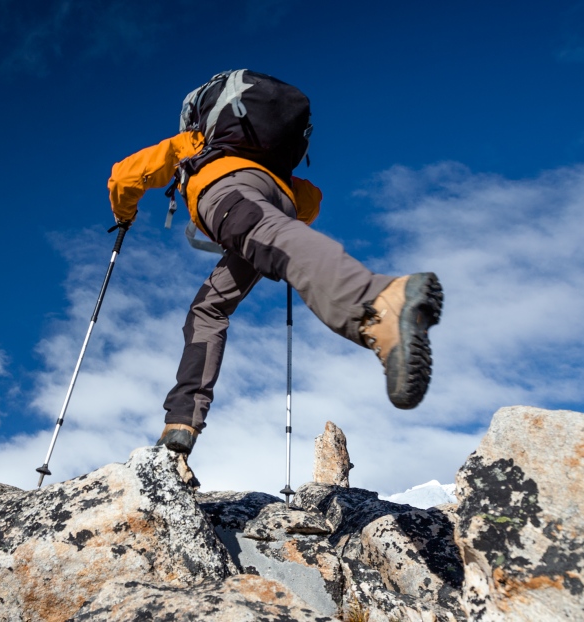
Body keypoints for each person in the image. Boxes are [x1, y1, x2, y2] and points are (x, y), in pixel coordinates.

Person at [106, 71, 443, 479]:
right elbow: (310, 202)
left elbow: (125, 175)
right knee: (209, 308)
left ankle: (375, 301)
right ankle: (181, 425)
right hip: (277, 198)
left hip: (225, 190)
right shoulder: (277, 166)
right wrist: (279, 202)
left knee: (266, 237)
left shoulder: (194, 143)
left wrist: (123, 216)